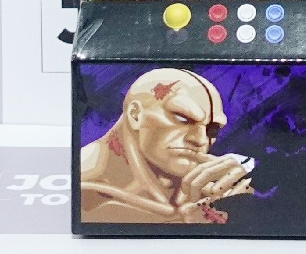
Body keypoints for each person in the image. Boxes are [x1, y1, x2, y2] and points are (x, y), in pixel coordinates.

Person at [81, 68, 253, 224]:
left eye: (212, 130)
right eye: (182, 118)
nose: (200, 140)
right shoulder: (80, 186)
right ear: (135, 115)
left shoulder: (212, 192)